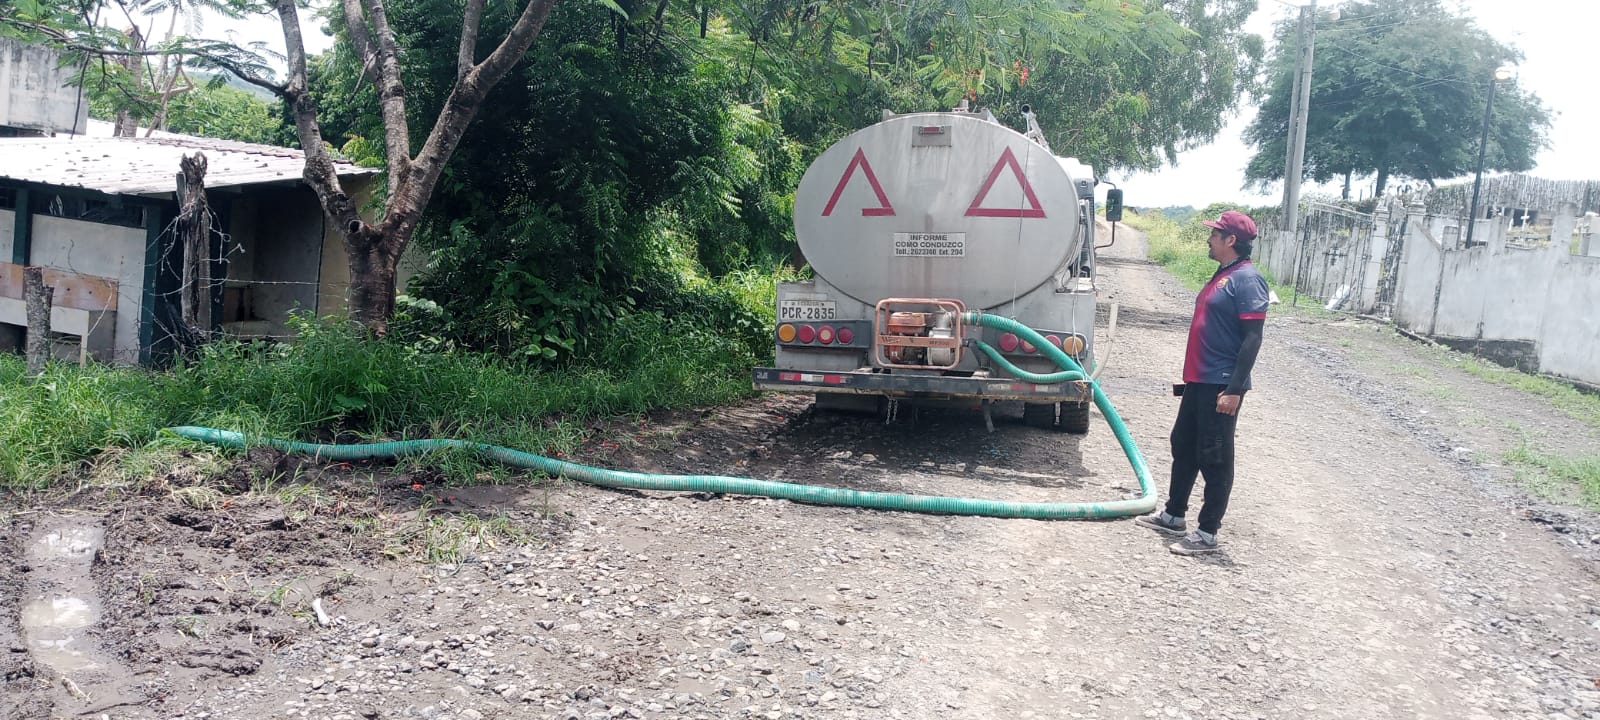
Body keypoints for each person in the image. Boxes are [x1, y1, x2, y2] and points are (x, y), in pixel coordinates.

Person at [1135, 210, 1268, 555]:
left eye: (1215, 234)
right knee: (1183, 444)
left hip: (1221, 383)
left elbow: (1253, 338)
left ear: (1231, 240)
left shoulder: (1247, 279)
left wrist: (1234, 389)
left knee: (1215, 456)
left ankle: (1207, 533)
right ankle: (1173, 515)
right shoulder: (1223, 274)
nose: (1209, 239)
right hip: (1199, 380)